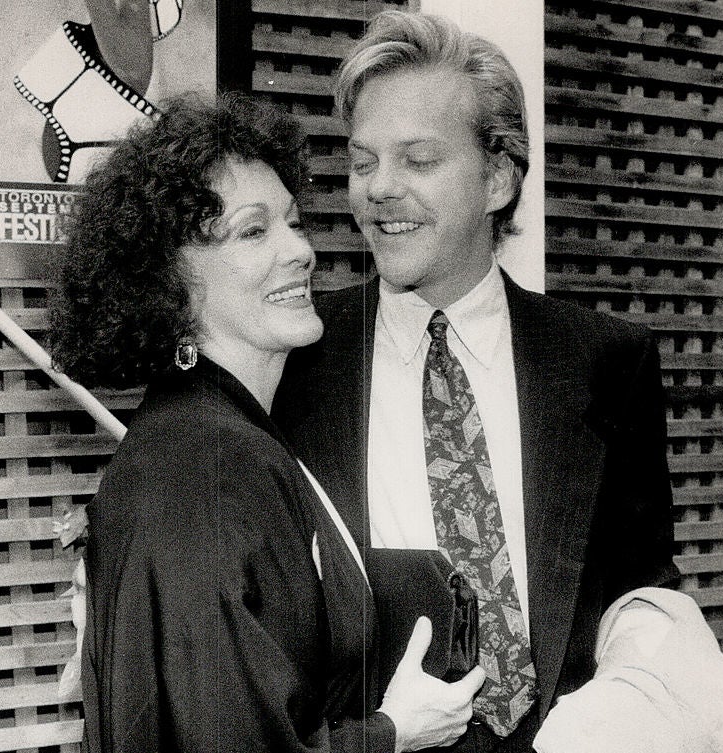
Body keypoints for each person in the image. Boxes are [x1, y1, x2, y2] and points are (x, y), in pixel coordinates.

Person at [272, 10, 678, 751]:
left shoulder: (606, 359)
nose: (377, 191)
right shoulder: (294, 363)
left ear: (496, 177)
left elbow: (642, 585)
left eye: (417, 161)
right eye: (362, 163)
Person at [48, 93, 483, 753]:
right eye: (254, 231)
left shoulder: (225, 437)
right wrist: (394, 732)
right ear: (169, 282)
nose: (300, 250)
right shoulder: (203, 467)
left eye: (293, 221)